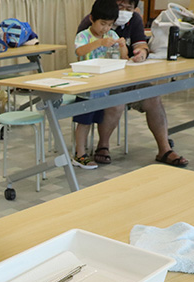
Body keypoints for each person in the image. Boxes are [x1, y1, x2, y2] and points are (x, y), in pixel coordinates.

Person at [78, 0, 189, 167]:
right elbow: (80, 51)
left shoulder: (132, 21)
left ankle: (164, 149)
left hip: (126, 75)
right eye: (120, 6)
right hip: (102, 83)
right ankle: (103, 146)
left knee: (152, 97)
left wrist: (140, 53)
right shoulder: (93, 21)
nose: (123, 11)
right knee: (116, 102)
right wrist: (99, 42)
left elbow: (138, 47)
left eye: (128, 8)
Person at [72, 0, 128, 169]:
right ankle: (79, 154)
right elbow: (79, 51)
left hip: (104, 85)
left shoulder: (112, 35)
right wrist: (99, 43)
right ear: (91, 19)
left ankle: (94, 147)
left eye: (110, 25)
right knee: (85, 120)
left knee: (98, 117)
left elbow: (124, 58)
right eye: (102, 24)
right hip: (86, 86)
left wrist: (123, 46)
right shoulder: (83, 36)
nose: (105, 29)